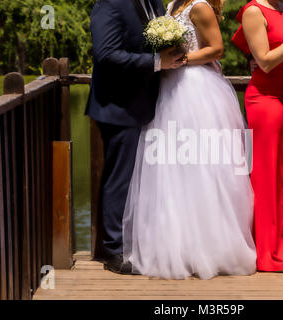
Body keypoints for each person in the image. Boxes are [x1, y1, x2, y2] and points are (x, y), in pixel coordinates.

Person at [122, 0, 257, 280]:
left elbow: (217, 48)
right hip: (169, 88)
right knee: (170, 170)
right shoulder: (170, 6)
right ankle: (176, 247)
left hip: (195, 90)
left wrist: (182, 60)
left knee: (202, 168)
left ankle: (212, 249)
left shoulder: (200, 6)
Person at [86, 0, 185, 274]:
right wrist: (157, 62)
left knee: (144, 179)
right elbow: (105, 54)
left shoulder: (153, 2)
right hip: (118, 107)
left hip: (148, 103)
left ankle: (138, 244)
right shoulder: (109, 4)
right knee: (121, 179)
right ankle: (113, 252)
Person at [232, 0, 283, 272]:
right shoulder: (254, 11)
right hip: (265, 101)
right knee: (267, 181)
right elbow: (265, 62)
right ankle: (269, 252)